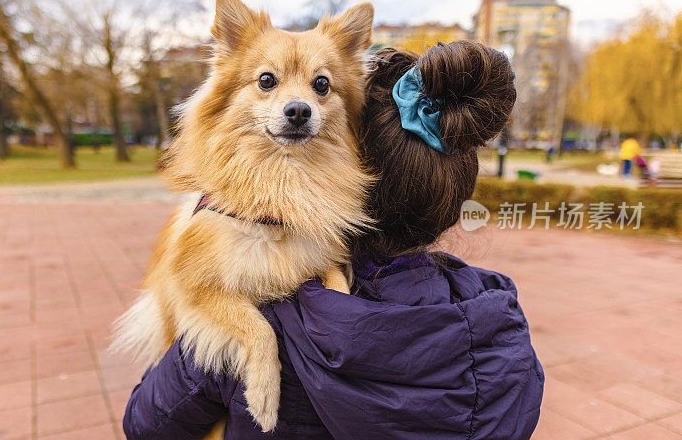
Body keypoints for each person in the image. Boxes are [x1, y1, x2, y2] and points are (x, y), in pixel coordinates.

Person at [122, 41, 544, 439]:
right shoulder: (504, 327)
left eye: (321, 87)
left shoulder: (257, 313)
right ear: (453, 199)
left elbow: (145, 424)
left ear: (351, 166)